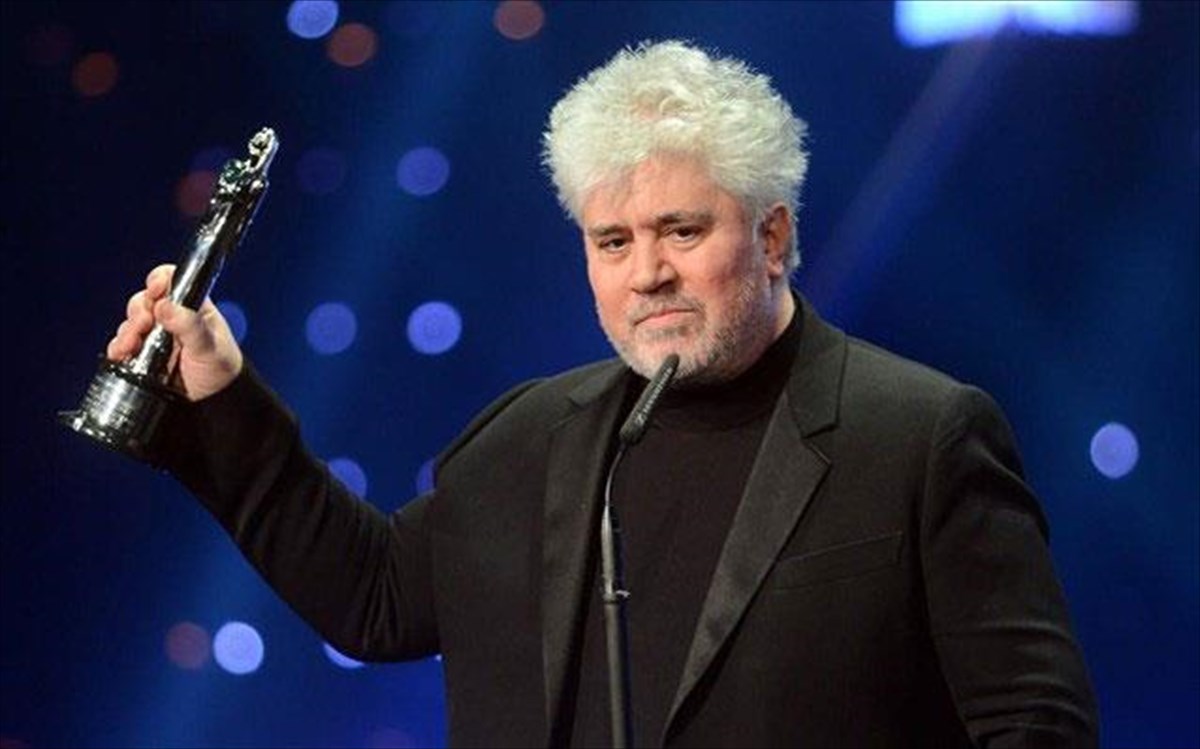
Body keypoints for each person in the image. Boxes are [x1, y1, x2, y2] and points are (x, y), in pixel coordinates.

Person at [107, 41, 1098, 748]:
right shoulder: (534, 435)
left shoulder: (920, 433)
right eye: (613, 241)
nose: (648, 273)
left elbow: (1033, 723)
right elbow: (376, 597)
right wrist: (221, 396)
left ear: (773, 236)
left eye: (682, 230)